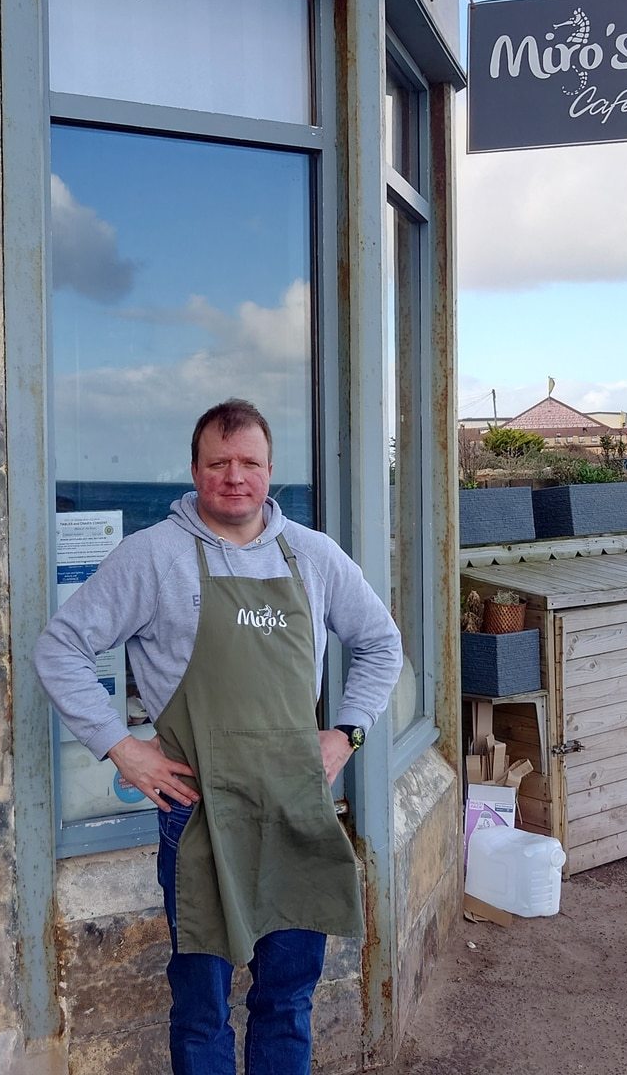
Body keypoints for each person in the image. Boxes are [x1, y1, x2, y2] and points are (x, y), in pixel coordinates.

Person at [36, 398, 402, 1075]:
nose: (235, 476)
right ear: (195, 469)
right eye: (218, 463)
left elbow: (381, 644)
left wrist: (347, 733)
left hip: (295, 809)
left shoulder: (314, 556)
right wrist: (121, 744)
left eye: (250, 463)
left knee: (287, 999)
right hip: (197, 816)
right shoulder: (153, 557)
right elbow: (60, 647)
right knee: (202, 1008)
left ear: (271, 470)